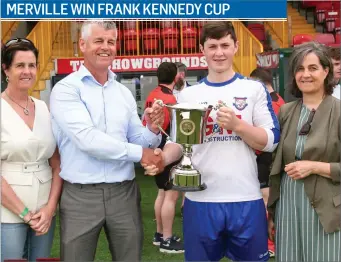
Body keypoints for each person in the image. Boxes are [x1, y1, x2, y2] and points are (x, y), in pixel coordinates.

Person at [144, 21, 280, 261]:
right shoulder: (188, 95)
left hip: (245, 198)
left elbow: (269, 140)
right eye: (213, 46)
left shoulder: (253, 89)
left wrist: (238, 126)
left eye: (225, 45)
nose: (219, 52)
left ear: (236, 46)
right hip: (200, 201)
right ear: (202, 50)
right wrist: (163, 158)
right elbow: (178, 142)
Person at [50, 21, 164, 262]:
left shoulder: (122, 92)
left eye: (111, 42)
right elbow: (88, 140)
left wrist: (153, 129)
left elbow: (138, 138)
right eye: (99, 41)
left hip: (123, 192)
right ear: (82, 44)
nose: (106, 47)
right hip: (81, 195)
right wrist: (141, 154)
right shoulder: (66, 89)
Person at [268, 41, 340, 262]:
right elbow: (274, 163)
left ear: (326, 71)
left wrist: (315, 166)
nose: (305, 75)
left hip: (325, 209)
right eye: (300, 69)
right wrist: (272, 211)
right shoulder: (286, 112)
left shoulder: (338, 111)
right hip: (288, 207)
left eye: (312, 68)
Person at [1, 38, 62, 261]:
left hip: (44, 210)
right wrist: (25, 214)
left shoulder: (44, 108)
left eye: (32, 65)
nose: (27, 71)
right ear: (5, 69)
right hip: (8, 211)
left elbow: (56, 163)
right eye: (20, 65)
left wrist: (50, 208)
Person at [142, 62, 184, 253]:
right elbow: (173, 131)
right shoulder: (171, 100)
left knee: (162, 193)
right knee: (171, 196)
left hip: (154, 149)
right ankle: (167, 240)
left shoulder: (152, 95)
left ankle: (160, 235)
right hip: (166, 151)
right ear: (176, 77)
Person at [250, 67, 285, 258]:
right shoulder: (280, 100)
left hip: (267, 157)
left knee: (265, 201)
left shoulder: (269, 103)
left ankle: (270, 243)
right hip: (274, 158)